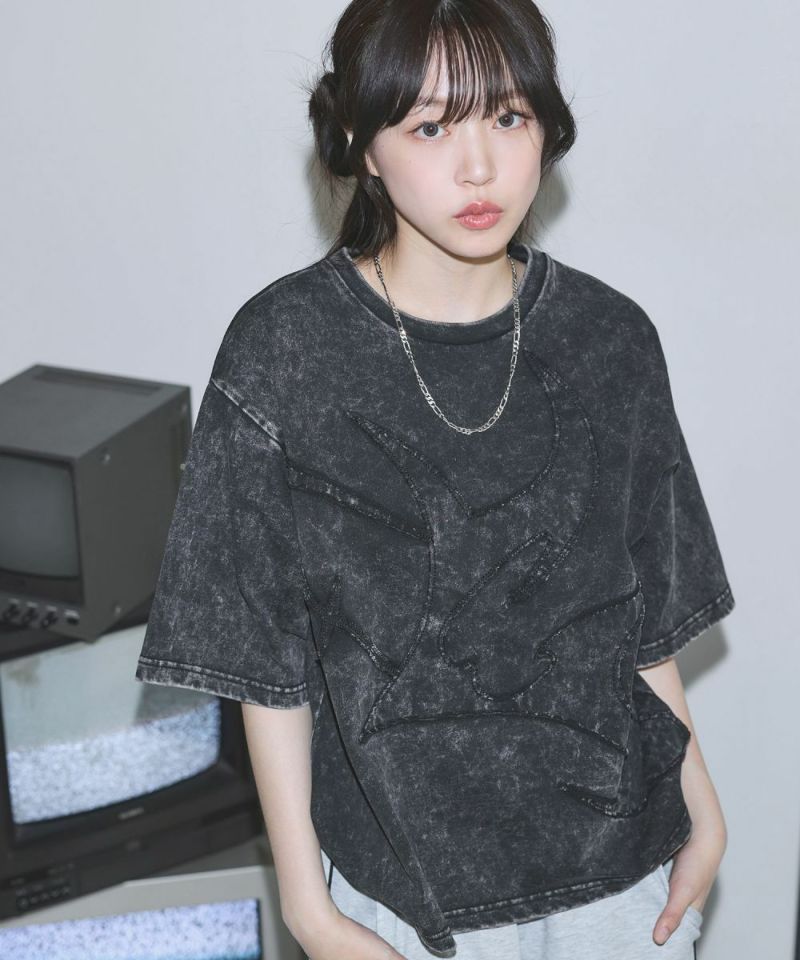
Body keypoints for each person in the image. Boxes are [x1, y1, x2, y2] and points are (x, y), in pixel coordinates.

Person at [134, 2, 736, 958]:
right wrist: (308, 910)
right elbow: (262, 657)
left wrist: (703, 806)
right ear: (361, 145)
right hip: (404, 898)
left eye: (508, 117)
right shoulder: (285, 351)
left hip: (625, 879)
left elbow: (640, 613)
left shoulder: (609, 338)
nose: (479, 167)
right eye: (429, 127)